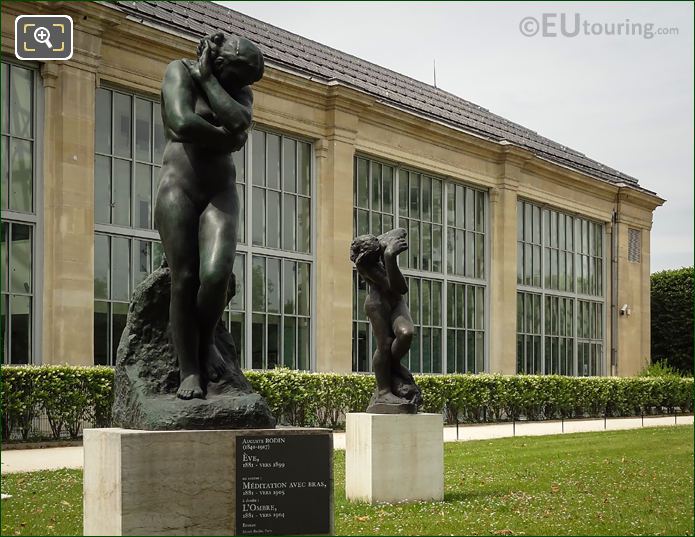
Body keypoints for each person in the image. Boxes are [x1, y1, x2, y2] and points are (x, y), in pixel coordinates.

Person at [154, 32, 264, 400]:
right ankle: (190, 371)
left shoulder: (234, 90)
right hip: (178, 188)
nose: (242, 88)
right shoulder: (178, 71)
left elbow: (240, 128)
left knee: (216, 275)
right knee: (184, 278)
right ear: (222, 62)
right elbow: (180, 123)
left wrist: (208, 82)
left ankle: (205, 346)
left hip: (221, 192)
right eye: (238, 77)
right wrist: (225, 135)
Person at [350, 228, 421, 410]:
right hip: (378, 304)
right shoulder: (364, 265)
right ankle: (384, 393)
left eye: (379, 256)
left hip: (396, 303)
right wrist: (390, 257)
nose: (378, 260)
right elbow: (398, 287)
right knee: (384, 345)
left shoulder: (376, 245)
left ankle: (393, 365)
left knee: (406, 334)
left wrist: (391, 242)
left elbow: (401, 231)